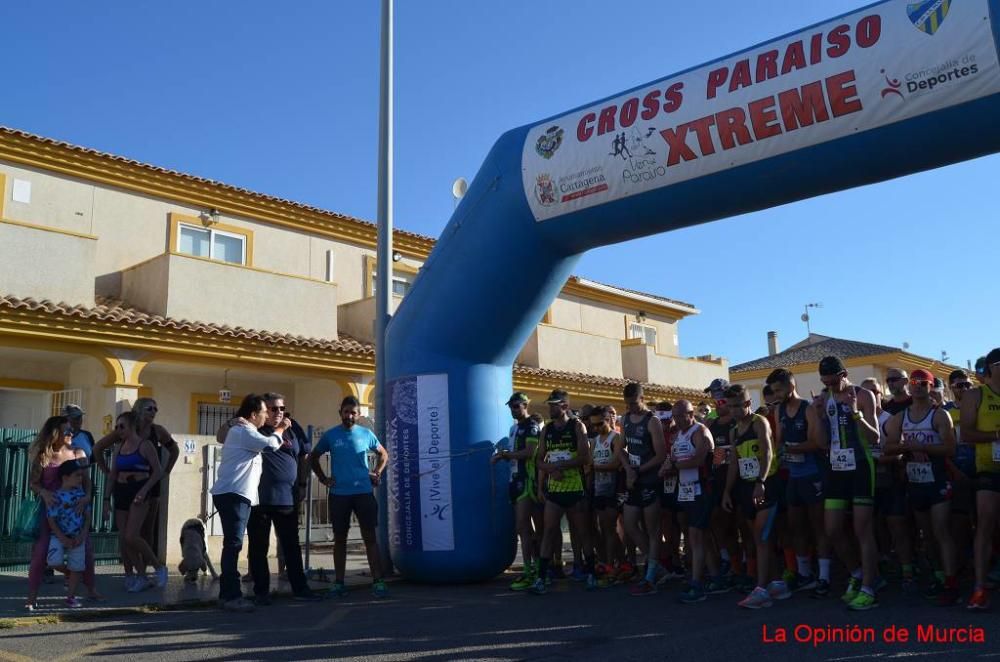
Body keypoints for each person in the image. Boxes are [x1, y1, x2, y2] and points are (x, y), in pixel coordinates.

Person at [882, 369, 959, 606]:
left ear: (930, 387)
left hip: (937, 478)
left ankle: (951, 582)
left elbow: (950, 449)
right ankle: (938, 576)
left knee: (941, 531)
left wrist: (921, 447)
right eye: (914, 383)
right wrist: (908, 448)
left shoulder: (939, 416)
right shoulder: (901, 417)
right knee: (927, 534)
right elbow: (888, 448)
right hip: (915, 480)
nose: (917, 387)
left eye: (922, 383)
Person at [813, 356, 881, 611]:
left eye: (833, 381)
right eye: (825, 382)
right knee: (832, 529)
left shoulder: (862, 396)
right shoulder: (825, 397)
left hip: (862, 466)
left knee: (862, 529)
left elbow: (874, 438)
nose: (829, 386)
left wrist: (855, 415)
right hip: (836, 470)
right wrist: (819, 416)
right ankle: (857, 573)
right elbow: (821, 442)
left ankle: (869, 587)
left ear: (844, 375)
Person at [211, 394, 287, 612]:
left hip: (235, 495)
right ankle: (231, 596)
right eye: (264, 412)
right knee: (233, 545)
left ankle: (228, 594)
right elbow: (272, 444)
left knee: (232, 545)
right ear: (253, 414)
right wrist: (281, 428)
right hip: (234, 495)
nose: (266, 416)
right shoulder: (244, 432)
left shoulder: (245, 431)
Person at [310, 396, 389, 599]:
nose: (350, 416)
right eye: (346, 412)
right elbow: (313, 457)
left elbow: (383, 454)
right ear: (340, 413)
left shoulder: (366, 434)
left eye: (353, 412)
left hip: (363, 493)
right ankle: (338, 583)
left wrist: (377, 472)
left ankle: (378, 581)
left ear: (359, 414)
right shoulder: (331, 435)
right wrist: (323, 478)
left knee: (370, 538)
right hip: (339, 495)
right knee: (340, 540)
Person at [244, 393, 318, 603]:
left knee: (291, 546)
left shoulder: (293, 427)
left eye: (282, 408)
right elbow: (225, 434)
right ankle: (261, 592)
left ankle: (300, 589)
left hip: (287, 497)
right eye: (274, 409)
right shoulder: (254, 427)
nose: (279, 413)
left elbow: (305, 455)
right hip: (260, 498)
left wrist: (302, 484)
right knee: (259, 547)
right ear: (264, 411)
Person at [766, 369, 832, 598]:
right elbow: (779, 442)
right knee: (796, 526)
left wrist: (790, 448)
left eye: (779, 390)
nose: (776, 394)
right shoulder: (779, 410)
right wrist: (781, 452)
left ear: (790, 386)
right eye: (773, 391)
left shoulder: (808, 408)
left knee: (818, 526)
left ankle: (824, 576)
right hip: (793, 475)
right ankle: (804, 573)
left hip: (813, 473)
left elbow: (820, 442)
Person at [721, 384, 784, 608]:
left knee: (761, 536)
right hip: (745, 487)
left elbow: (767, 452)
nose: (733, 410)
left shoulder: (760, 422)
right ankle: (777, 582)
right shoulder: (734, 430)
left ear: (748, 403)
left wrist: (761, 482)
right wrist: (727, 492)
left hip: (767, 484)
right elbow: (734, 464)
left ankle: (760, 589)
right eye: (730, 406)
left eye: (738, 406)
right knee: (759, 538)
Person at [530, 389, 596, 594]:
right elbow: (539, 459)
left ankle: (591, 573)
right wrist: (550, 469)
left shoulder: (577, 426)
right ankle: (541, 577)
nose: (550, 408)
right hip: (555, 489)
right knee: (549, 531)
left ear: (565, 406)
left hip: (575, 487)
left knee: (582, 531)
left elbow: (585, 457)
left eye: (554, 404)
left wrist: (561, 467)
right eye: (549, 404)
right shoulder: (547, 430)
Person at [25, 416, 94, 611]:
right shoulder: (43, 456)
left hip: (76, 510)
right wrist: (44, 492)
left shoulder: (78, 453)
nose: (71, 433)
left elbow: (88, 481)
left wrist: (87, 497)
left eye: (72, 430)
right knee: (41, 553)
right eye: (66, 430)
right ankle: (32, 596)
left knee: (86, 549)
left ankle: (91, 589)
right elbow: (33, 483)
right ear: (55, 433)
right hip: (51, 510)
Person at [663, 400, 721, 603]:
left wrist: (673, 467)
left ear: (691, 414)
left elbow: (698, 460)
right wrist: (667, 467)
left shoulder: (700, 432)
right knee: (700, 536)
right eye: (674, 416)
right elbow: (673, 460)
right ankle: (715, 576)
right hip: (685, 491)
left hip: (701, 489)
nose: (677, 420)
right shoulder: (677, 436)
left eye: (680, 416)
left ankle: (697, 584)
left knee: (696, 537)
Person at [104, 411, 168, 592]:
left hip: (139, 490)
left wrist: (144, 489)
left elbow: (157, 471)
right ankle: (141, 575)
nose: (118, 430)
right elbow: (112, 475)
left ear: (132, 426)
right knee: (124, 539)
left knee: (132, 535)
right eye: (116, 427)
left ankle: (158, 567)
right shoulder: (119, 447)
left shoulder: (145, 445)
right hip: (121, 491)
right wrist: (106, 499)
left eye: (122, 426)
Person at [618, 383, 667, 596]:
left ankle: (650, 576)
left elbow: (660, 454)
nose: (631, 408)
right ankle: (656, 565)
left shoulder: (652, 421)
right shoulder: (625, 419)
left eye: (634, 403)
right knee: (629, 524)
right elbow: (619, 449)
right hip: (634, 479)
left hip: (649, 479)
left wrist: (639, 470)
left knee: (653, 529)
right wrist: (629, 469)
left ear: (642, 398)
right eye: (628, 404)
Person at [961, 347, 1000, 610]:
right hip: (988, 468)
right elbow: (966, 434)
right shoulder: (976, 395)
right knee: (985, 525)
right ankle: (978, 587)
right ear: (990, 368)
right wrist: (996, 436)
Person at [491, 392, 542, 591]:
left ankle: (533, 570)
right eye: (510, 406)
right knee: (524, 529)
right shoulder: (513, 428)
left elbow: (530, 453)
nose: (513, 410)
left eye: (516, 406)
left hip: (527, 480)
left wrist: (505, 455)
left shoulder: (531, 426)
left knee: (524, 526)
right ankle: (536, 569)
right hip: (515, 479)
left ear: (525, 405)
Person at [45, 460, 90, 608]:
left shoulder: (81, 495)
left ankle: (70, 596)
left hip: (77, 536)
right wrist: (62, 537)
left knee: (77, 567)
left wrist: (82, 534)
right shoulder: (55, 496)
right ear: (65, 477)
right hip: (58, 536)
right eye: (77, 475)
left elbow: (87, 516)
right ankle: (68, 573)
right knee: (53, 561)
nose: (80, 479)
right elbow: (51, 519)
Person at [588, 405, 623, 587]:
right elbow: (589, 465)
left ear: (608, 419)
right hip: (599, 488)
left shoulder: (615, 438)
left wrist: (596, 467)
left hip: (613, 488)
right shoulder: (594, 441)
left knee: (609, 529)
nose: (596, 428)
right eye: (593, 425)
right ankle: (618, 562)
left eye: (600, 424)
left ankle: (612, 565)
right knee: (604, 528)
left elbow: (616, 463)